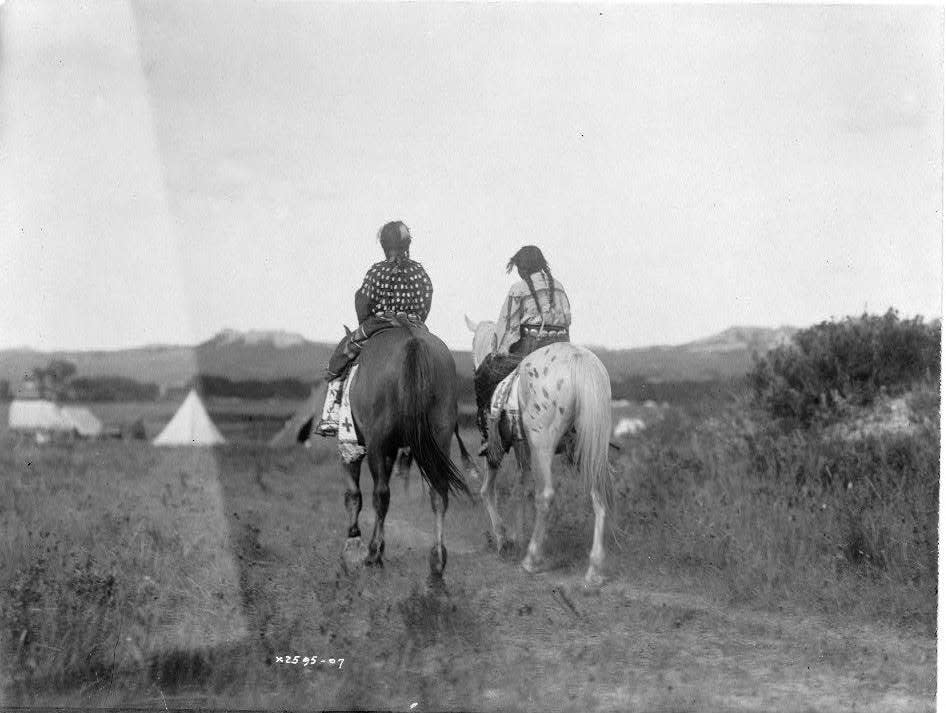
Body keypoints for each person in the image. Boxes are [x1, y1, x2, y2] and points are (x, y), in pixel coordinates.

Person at [314, 221, 433, 436]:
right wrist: (415, 319)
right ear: (407, 244)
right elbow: (427, 300)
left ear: (385, 246)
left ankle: (330, 414)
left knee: (343, 354)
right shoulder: (419, 271)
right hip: (415, 326)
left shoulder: (377, 272)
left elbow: (363, 303)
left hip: (380, 324)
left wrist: (367, 321)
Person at [474, 245, 571, 451]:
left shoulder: (518, 289)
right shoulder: (560, 286)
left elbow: (508, 327)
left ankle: (489, 436)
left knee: (484, 374)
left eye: (518, 268)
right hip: (562, 350)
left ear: (523, 268)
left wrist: (499, 351)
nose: (518, 272)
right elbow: (567, 319)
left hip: (531, 349)